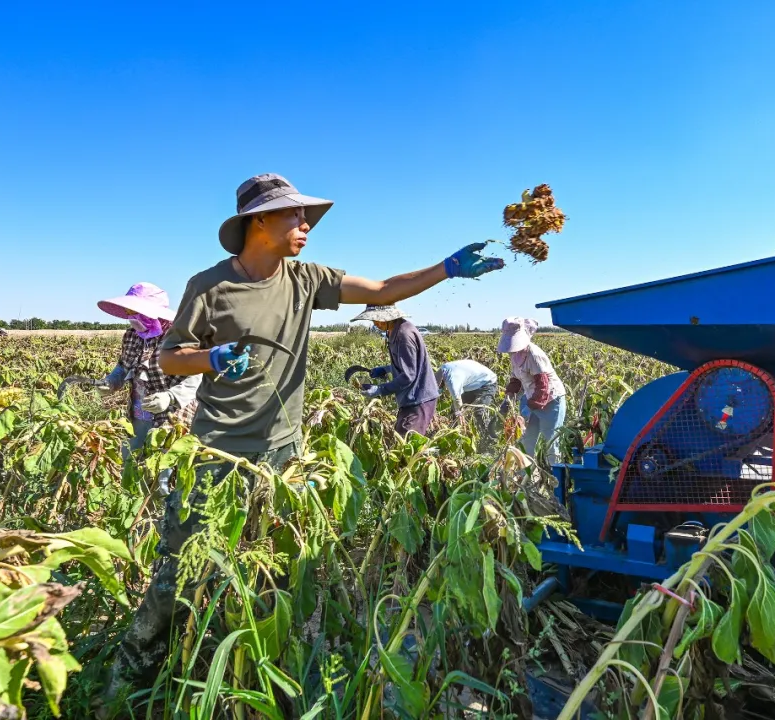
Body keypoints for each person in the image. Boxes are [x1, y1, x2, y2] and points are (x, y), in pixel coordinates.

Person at [95, 173, 504, 716]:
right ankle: (124, 691)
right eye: (293, 214)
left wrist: (447, 268)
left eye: (306, 215)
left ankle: (266, 685)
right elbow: (172, 355)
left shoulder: (307, 279)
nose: (305, 223)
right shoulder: (210, 286)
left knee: (279, 574)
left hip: (282, 457)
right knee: (179, 577)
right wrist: (211, 358)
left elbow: (383, 290)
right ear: (258, 221)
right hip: (217, 454)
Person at [96, 283, 201, 457]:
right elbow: (124, 365)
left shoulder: (179, 336)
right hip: (139, 409)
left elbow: (195, 376)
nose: (131, 316)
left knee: (164, 461)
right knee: (130, 456)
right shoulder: (132, 335)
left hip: (172, 413)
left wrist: (170, 397)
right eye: (129, 311)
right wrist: (112, 381)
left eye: (135, 311)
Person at [352, 304, 440, 437]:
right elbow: (408, 363)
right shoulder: (395, 329)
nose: (376, 324)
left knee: (407, 443)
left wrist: (380, 389)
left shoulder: (404, 334)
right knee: (400, 437)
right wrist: (386, 369)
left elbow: (408, 376)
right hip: (411, 398)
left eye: (378, 319)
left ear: (389, 317)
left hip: (418, 398)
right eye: (373, 320)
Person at [497, 317, 567, 463]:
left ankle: (554, 474)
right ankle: (526, 472)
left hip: (551, 400)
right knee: (527, 439)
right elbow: (516, 379)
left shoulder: (534, 355)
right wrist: (508, 397)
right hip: (532, 399)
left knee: (550, 442)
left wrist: (525, 413)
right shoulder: (515, 354)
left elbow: (543, 387)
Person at [436, 358, 499, 445]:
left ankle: (490, 439)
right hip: (473, 383)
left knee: (479, 412)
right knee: (454, 411)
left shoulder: (452, 380)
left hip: (487, 382)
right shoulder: (441, 371)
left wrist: (460, 414)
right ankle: (454, 437)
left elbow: (457, 400)